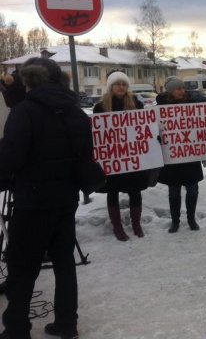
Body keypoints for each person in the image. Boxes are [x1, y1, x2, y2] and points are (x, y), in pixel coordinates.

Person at [0, 58, 92, 339]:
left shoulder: (24, 111)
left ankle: (16, 329)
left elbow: (10, 158)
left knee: (22, 266)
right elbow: (85, 156)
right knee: (64, 263)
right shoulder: (75, 111)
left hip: (32, 201)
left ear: (30, 81)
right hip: (65, 199)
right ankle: (67, 324)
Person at [93, 71, 150, 241]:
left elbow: (143, 126)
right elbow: (98, 133)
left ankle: (136, 223)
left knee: (135, 189)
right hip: (113, 157)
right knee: (113, 191)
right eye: (118, 84)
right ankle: (117, 225)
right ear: (111, 86)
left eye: (124, 84)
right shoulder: (101, 107)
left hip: (132, 156)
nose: (121, 87)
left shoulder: (136, 104)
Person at [156, 76, 206, 233]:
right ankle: (175, 221)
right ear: (171, 91)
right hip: (172, 157)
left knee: (192, 189)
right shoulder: (160, 108)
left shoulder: (193, 104)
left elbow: (204, 125)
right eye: (179, 88)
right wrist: (158, 135)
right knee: (174, 191)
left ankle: (191, 219)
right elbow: (155, 128)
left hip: (190, 156)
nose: (182, 91)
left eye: (183, 88)